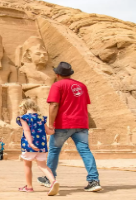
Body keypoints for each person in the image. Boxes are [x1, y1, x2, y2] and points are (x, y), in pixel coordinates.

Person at [37, 62, 102, 192]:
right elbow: (84, 104)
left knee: (54, 150)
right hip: (81, 124)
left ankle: (49, 178)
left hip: (64, 123)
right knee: (85, 151)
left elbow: (54, 105)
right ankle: (94, 180)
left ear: (57, 74)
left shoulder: (57, 85)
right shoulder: (82, 86)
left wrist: (50, 124)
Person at [16, 99, 59, 196]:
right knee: (42, 165)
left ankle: (29, 187)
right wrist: (54, 130)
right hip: (41, 145)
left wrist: (30, 143)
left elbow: (27, 131)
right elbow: (48, 132)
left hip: (29, 146)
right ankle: (53, 181)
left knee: (27, 165)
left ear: (24, 108)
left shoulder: (24, 118)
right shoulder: (41, 117)